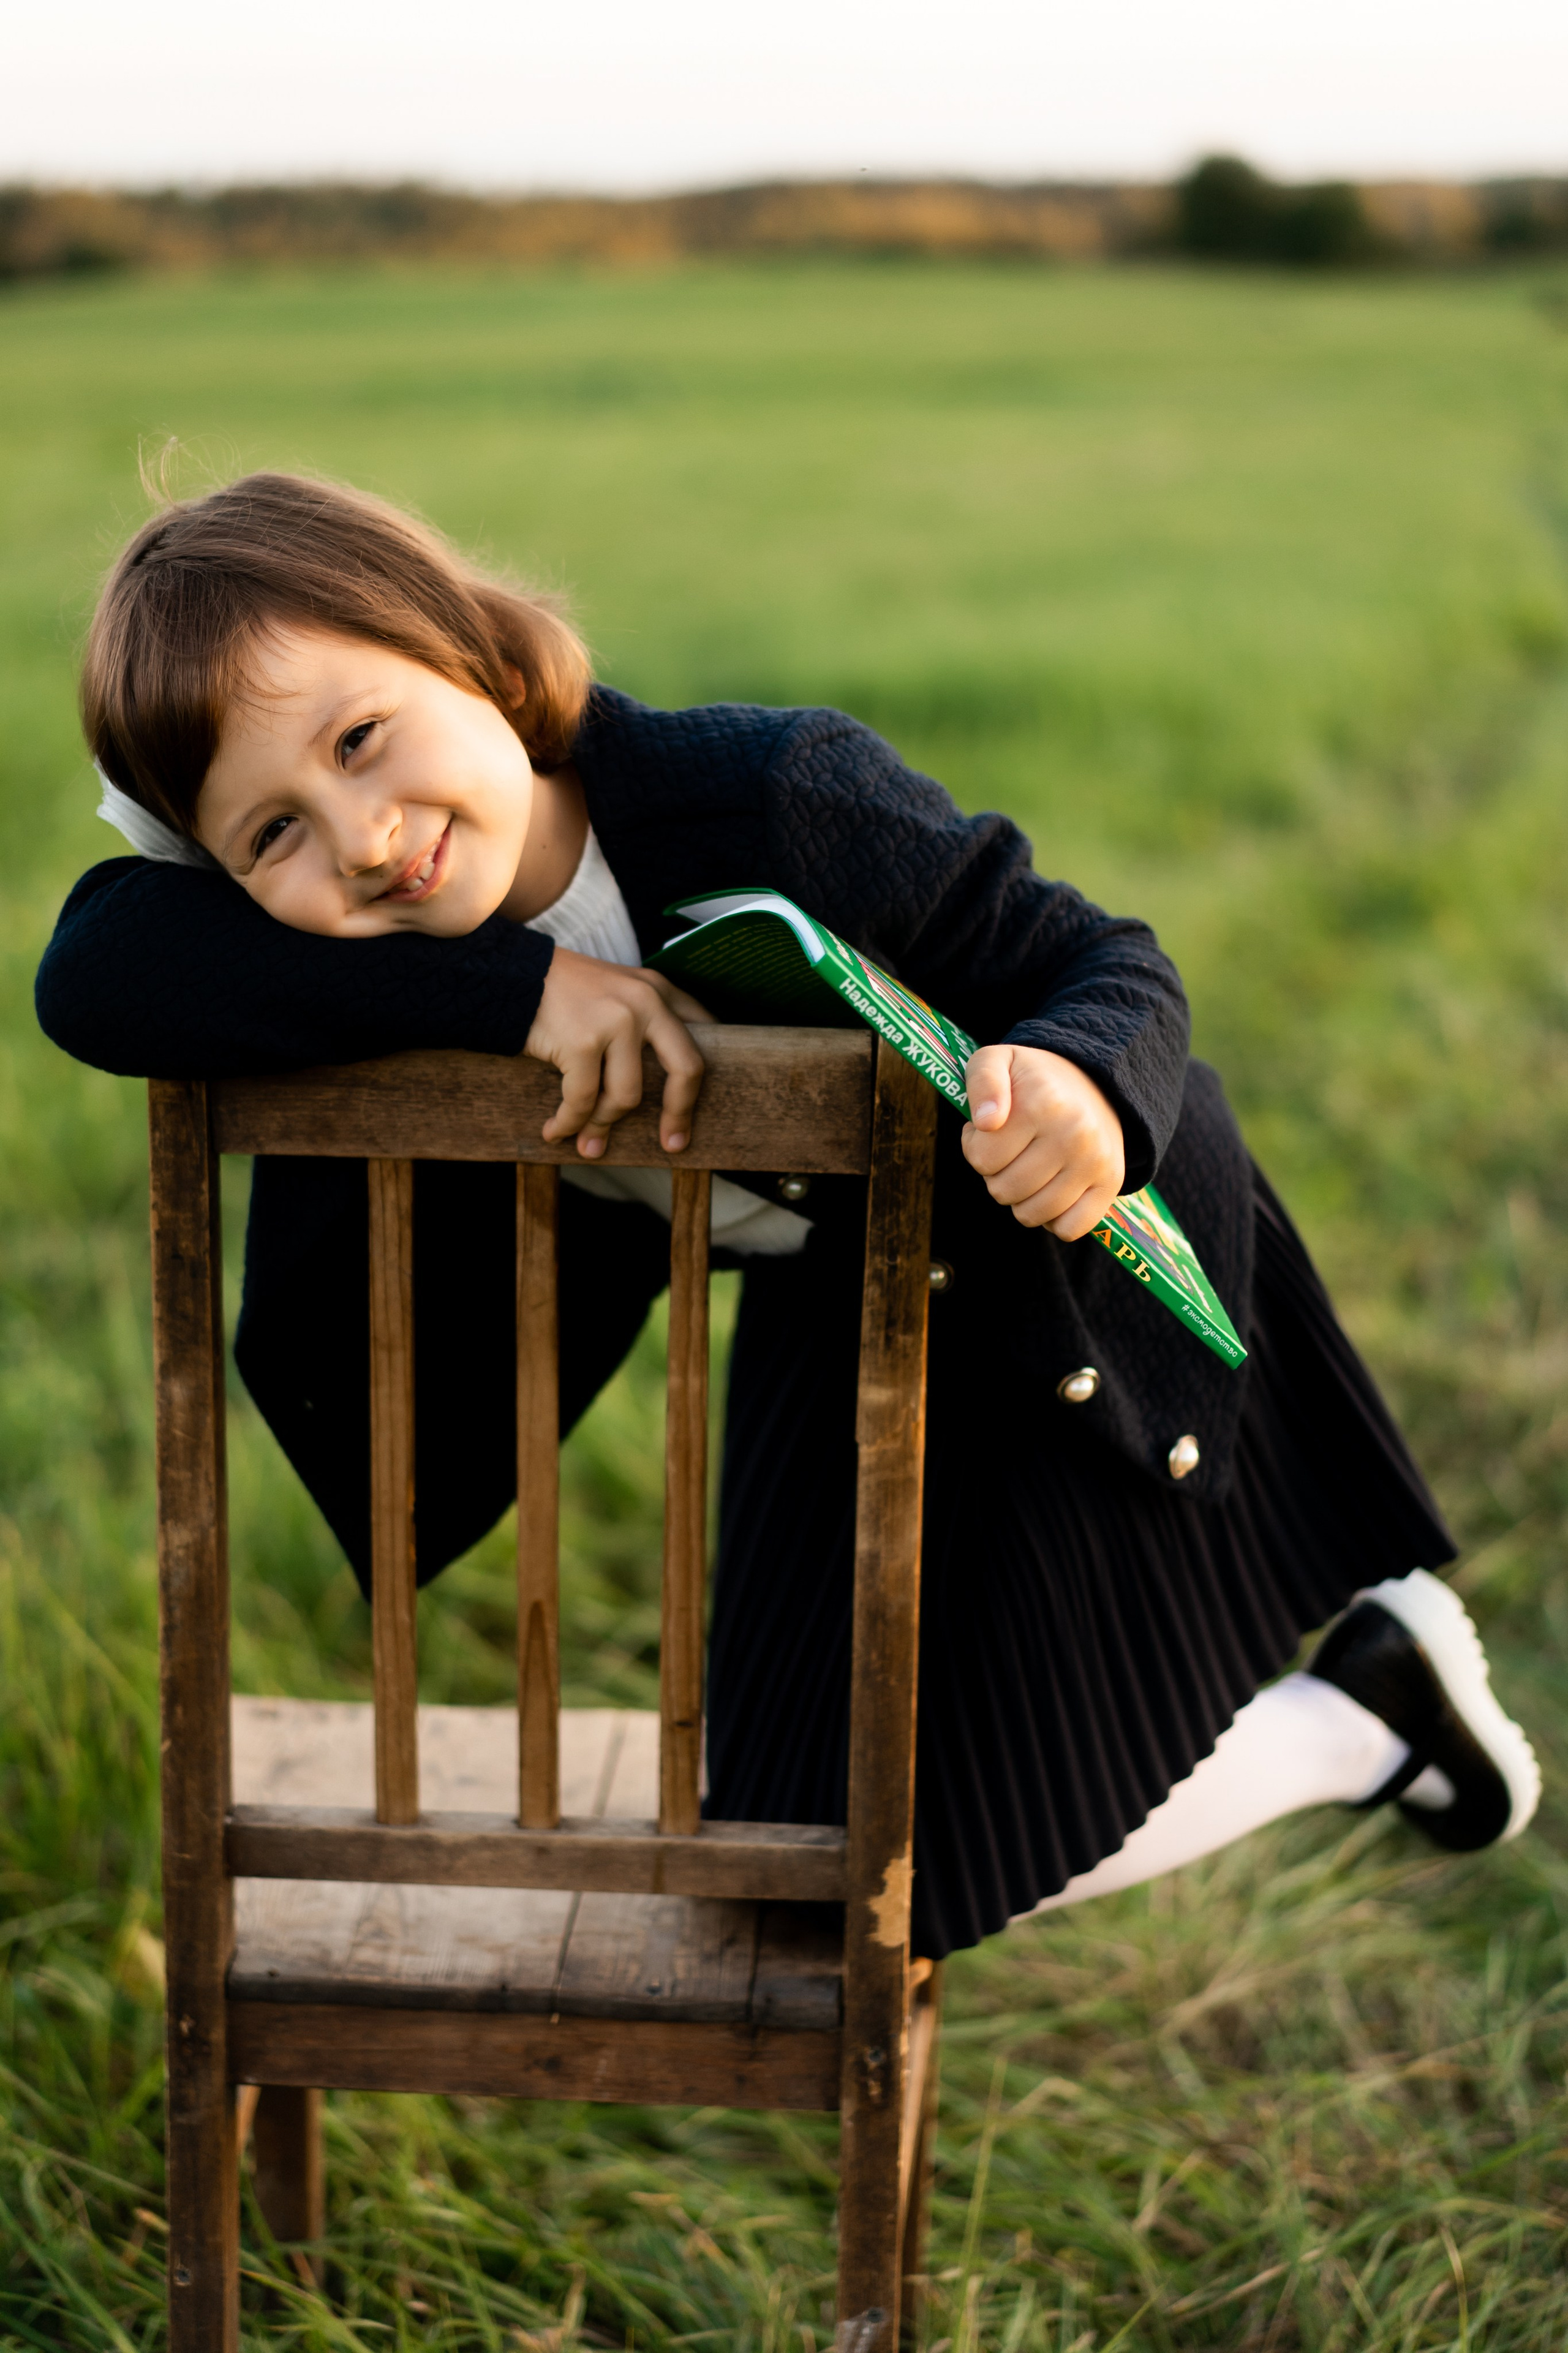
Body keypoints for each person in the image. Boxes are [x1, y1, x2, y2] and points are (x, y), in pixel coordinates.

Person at [36, 471, 1539, 1961]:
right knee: (773, 1874)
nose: (361, 838)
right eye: (270, 836)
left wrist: (1084, 1085)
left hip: (1056, 1270)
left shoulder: (767, 791)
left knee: (901, 1880)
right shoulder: (359, 939)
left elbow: (1103, 959)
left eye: (362, 739)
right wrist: (520, 991)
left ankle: (1352, 1724)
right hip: (839, 1297)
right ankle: (1374, 1704)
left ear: (471, 650)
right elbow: (92, 971)